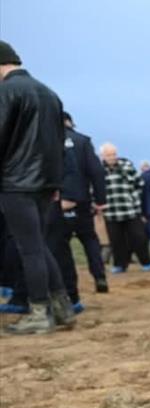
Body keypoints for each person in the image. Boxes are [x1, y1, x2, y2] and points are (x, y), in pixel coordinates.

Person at [0, 41, 76, 334]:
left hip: (15, 182)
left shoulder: (7, 92)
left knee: (29, 248)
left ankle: (39, 312)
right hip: (45, 183)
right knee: (39, 246)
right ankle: (62, 308)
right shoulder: (49, 93)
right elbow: (59, 142)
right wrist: (55, 181)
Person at [52, 112, 109, 297]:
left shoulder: (47, 140)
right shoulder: (82, 141)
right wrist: (100, 200)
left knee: (60, 245)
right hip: (82, 200)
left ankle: (69, 289)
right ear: (69, 122)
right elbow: (97, 172)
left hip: (56, 202)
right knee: (90, 240)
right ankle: (100, 277)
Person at [100, 143, 150, 273]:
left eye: (114, 154)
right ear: (102, 156)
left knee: (139, 237)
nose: (112, 157)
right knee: (116, 241)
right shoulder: (98, 170)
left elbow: (139, 183)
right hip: (111, 212)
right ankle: (120, 265)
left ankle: (147, 262)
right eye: (109, 155)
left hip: (131, 210)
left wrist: (134, 198)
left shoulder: (127, 165)